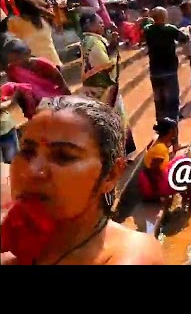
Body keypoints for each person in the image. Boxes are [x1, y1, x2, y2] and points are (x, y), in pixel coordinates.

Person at [1, 95, 164, 265]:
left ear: (111, 175)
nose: (32, 171)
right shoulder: (21, 243)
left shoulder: (133, 254)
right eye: (27, 151)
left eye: (63, 156)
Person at [77, 11, 136, 155]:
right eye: (99, 22)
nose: (102, 24)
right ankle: (123, 152)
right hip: (102, 87)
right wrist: (115, 50)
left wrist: (114, 44)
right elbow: (105, 64)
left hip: (96, 86)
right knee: (115, 118)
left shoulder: (91, 40)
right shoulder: (93, 41)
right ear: (88, 25)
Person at [143, 7, 189, 128]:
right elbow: (184, 38)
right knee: (172, 103)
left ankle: (161, 127)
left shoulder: (147, 30)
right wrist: (187, 30)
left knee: (159, 102)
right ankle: (174, 138)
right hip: (169, 70)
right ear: (164, 17)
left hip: (155, 70)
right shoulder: (170, 29)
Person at [138, 118, 191, 209]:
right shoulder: (160, 149)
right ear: (170, 131)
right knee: (190, 171)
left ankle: (187, 197)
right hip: (153, 183)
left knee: (184, 160)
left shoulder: (158, 141)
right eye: (175, 129)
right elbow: (153, 171)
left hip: (155, 175)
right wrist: (158, 194)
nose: (176, 131)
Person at [3, 38, 71, 103]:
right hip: (35, 105)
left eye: (19, 58)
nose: (17, 62)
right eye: (12, 61)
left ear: (28, 53)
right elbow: (16, 89)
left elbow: (62, 84)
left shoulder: (44, 64)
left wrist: (69, 100)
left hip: (54, 99)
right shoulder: (13, 71)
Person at [7, 0, 63, 68]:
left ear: (16, 6)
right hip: (55, 64)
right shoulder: (43, 20)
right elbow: (59, 30)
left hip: (36, 67)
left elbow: (11, 44)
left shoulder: (13, 22)